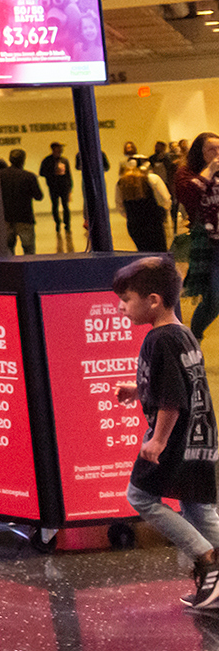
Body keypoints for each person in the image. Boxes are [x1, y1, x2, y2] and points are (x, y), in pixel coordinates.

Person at [111, 254, 219, 609]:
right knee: (199, 509)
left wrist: (157, 440)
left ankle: (207, 558)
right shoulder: (182, 333)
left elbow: (172, 400)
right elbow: (178, 384)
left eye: (127, 299)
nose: (122, 307)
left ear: (153, 300)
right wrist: (138, 389)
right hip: (201, 438)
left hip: (175, 439)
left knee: (140, 496)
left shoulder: (159, 340)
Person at [181, 133, 219, 337]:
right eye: (211, 149)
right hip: (209, 245)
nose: (217, 153)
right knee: (214, 299)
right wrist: (209, 171)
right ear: (199, 152)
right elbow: (190, 195)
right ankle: (195, 337)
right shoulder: (186, 173)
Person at [121, 159, 174, 256]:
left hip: (134, 224)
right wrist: (164, 212)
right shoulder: (153, 179)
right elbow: (165, 199)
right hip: (154, 223)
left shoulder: (122, 182)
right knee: (160, 253)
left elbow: (120, 206)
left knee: (144, 253)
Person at [0, 147, 44, 255]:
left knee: (8, 250)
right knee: (29, 250)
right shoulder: (29, 176)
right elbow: (38, 196)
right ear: (23, 160)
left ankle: (10, 266)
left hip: (6, 217)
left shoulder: (0, 175)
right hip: (25, 217)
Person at [39, 143, 75, 240]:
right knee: (55, 206)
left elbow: (68, 174)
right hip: (53, 187)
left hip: (64, 187)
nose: (60, 150)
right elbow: (41, 172)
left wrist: (70, 187)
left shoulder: (64, 160)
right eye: (58, 148)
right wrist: (52, 172)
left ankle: (67, 225)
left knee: (65, 206)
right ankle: (57, 223)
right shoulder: (47, 160)